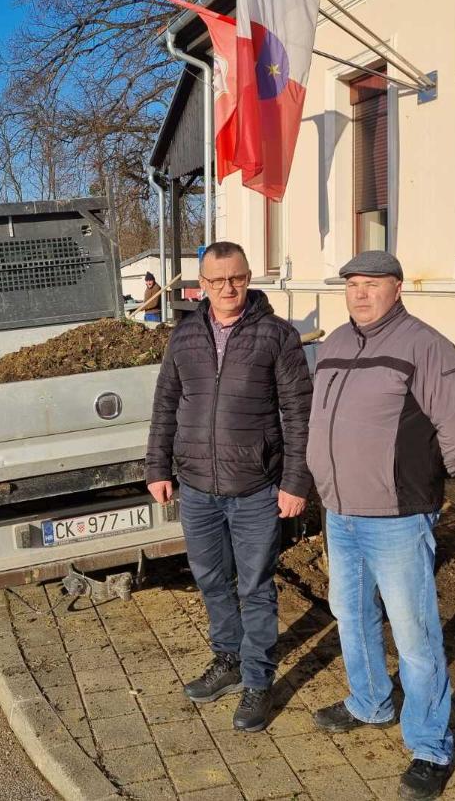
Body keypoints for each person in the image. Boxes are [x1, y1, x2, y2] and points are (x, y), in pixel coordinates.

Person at [306, 250, 455, 801]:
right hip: (340, 512)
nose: (360, 294)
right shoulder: (335, 343)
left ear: (398, 288)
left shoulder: (426, 347)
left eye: (372, 284)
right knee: (351, 614)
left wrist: (421, 480)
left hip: (398, 518)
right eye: (352, 284)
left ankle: (430, 746)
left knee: (414, 634)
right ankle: (370, 703)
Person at [145, 241, 313, 732]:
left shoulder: (276, 336)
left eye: (236, 278)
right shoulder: (184, 337)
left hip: (255, 488)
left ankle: (258, 680)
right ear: (201, 285)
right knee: (212, 580)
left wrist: (295, 481)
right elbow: (165, 405)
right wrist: (157, 468)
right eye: (217, 281)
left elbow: (299, 414)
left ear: (248, 276)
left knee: (255, 587)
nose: (227, 288)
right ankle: (229, 660)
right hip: (197, 488)